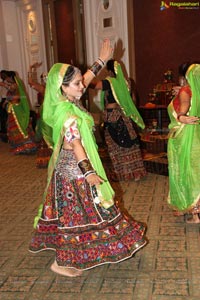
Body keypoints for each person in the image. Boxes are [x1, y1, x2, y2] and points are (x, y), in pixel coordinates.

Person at [29, 39, 147, 277]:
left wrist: (101, 60)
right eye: (76, 84)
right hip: (75, 172)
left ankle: (72, 256)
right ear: (63, 88)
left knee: (84, 213)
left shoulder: (68, 98)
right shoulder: (66, 113)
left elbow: (85, 79)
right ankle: (61, 263)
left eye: (80, 82)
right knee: (78, 216)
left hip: (73, 170)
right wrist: (89, 171)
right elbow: (75, 143)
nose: (82, 86)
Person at [89, 59, 147, 182]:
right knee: (129, 144)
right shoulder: (127, 83)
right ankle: (135, 173)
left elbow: (93, 85)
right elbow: (133, 100)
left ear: (110, 71)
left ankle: (123, 173)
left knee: (115, 145)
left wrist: (84, 78)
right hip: (125, 117)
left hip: (112, 117)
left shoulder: (109, 82)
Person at [167, 62, 200, 223]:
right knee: (195, 171)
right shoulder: (195, 91)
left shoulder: (186, 91)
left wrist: (181, 117)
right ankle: (186, 207)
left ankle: (194, 212)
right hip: (196, 137)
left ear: (183, 77)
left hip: (183, 139)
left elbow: (184, 107)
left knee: (184, 172)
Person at [3, 70, 37, 154]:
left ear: (10, 77)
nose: (6, 80)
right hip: (14, 109)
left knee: (19, 127)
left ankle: (26, 146)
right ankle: (20, 146)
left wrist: (9, 100)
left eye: (6, 78)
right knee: (13, 128)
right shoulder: (14, 84)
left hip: (17, 110)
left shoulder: (15, 84)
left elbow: (18, 96)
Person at [28, 62, 52, 168]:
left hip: (50, 116)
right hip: (48, 116)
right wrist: (31, 68)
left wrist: (31, 69)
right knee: (47, 138)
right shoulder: (49, 89)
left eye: (44, 78)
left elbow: (30, 82)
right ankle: (47, 161)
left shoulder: (45, 89)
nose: (43, 80)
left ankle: (48, 161)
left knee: (47, 137)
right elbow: (31, 82)